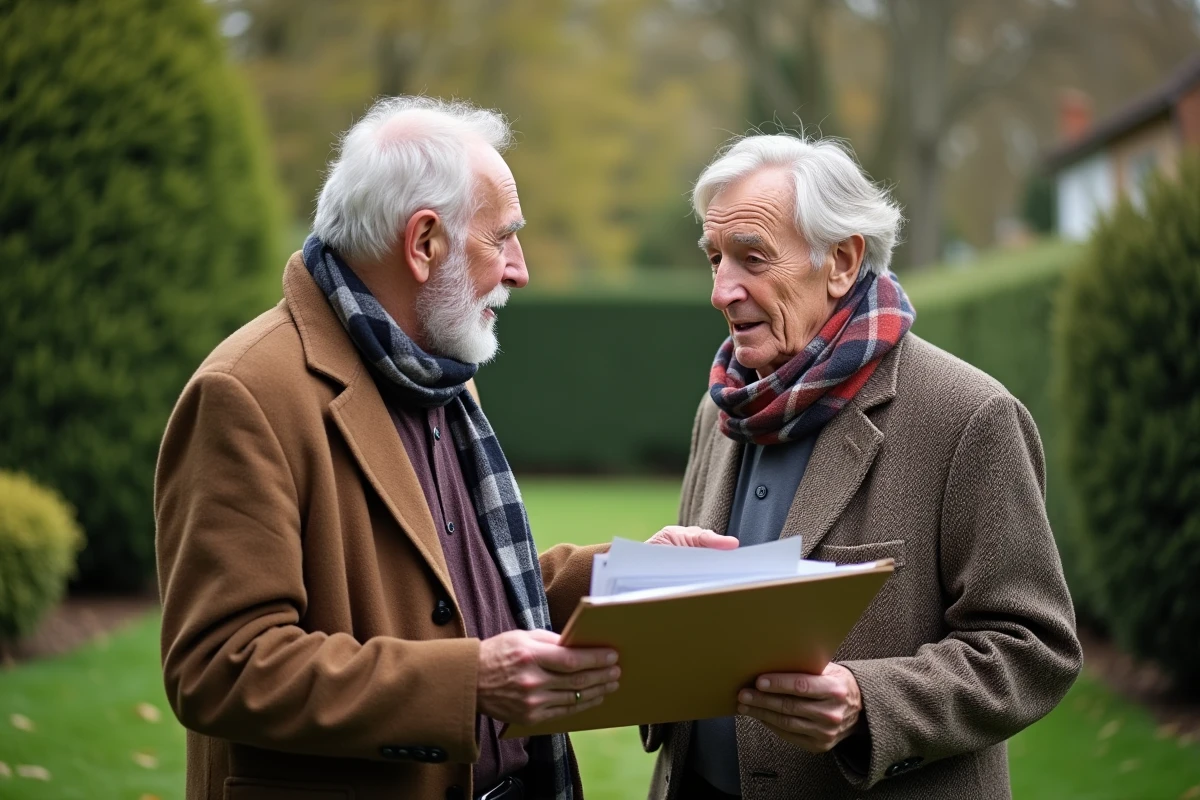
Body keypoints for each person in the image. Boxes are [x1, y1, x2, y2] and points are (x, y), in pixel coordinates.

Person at [154, 96, 731, 800]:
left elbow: (468, 593)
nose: (519, 269)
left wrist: (631, 577)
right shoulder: (246, 392)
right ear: (424, 242)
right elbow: (220, 667)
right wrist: (468, 682)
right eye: (503, 238)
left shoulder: (434, 367)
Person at [643, 133, 1083, 800]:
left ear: (842, 262)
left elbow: (1034, 646)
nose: (721, 290)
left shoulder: (970, 415)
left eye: (752, 258)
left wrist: (865, 701)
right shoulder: (722, 408)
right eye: (714, 259)